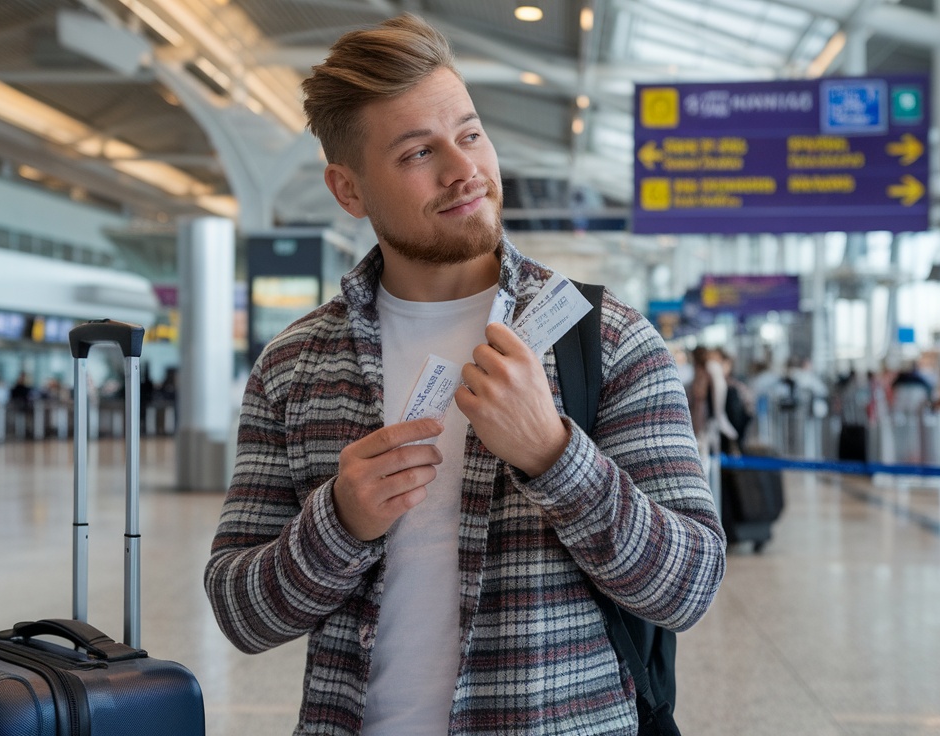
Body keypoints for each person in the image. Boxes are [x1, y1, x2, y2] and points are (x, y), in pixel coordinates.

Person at [203, 15, 725, 735]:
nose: (463, 170)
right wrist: (339, 522)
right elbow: (238, 611)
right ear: (348, 190)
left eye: (471, 134)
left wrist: (554, 457)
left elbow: (690, 586)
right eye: (419, 152)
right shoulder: (297, 365)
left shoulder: (604, 339)